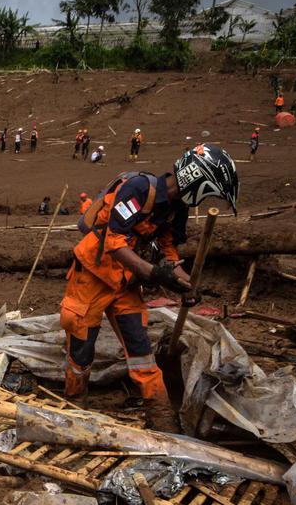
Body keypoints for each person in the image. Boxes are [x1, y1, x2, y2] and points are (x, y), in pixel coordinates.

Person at [60, 144, 239, 402]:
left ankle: (160, 413)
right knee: (82, 348)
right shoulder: (139, 189)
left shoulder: (178, 208)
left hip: (126, 281)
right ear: (198, 182)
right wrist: (154, 273)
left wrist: (186, 284)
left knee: (140, 347)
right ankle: (74, 404)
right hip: (92, 276)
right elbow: (114, 242)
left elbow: (169, 247)